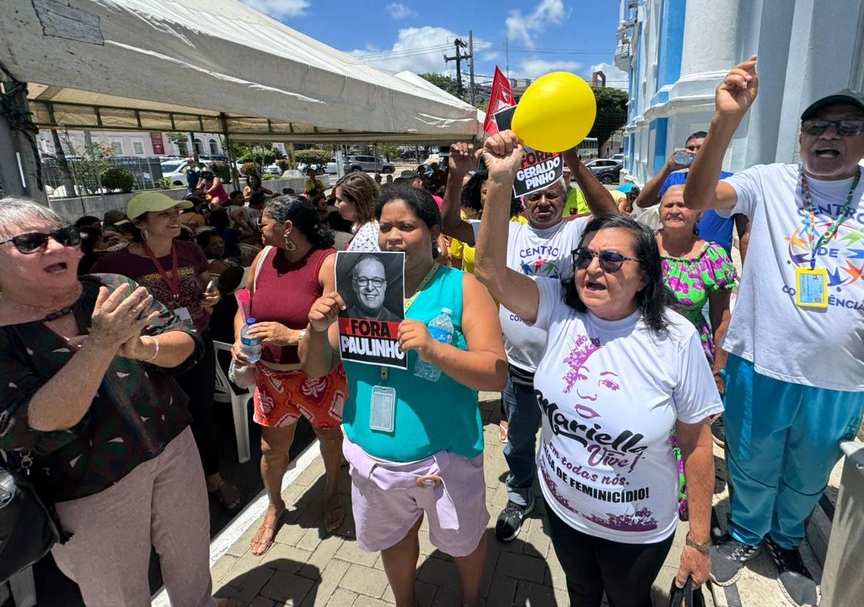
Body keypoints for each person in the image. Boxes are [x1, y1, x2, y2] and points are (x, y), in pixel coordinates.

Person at [685, 58, 864, 606]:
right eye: (817, 127)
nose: (828, 136)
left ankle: (787, 539)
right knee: (751, 457)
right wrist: (726, 120)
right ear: (801, 137)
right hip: (761, 362)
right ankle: (745, 533)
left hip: (845, 374)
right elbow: (700, 196)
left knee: (811, 467)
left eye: (847, 127)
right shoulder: (768, 181)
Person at [474, 132, 721, 606]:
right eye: (585, 256)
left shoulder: (676, 338)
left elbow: (697, 442)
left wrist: (699, 539)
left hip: (636, 526)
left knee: (628, 599)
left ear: (644, 273)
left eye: (611, 259)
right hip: (562, 509)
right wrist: (501, 180)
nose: (592, 267)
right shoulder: (558, 305)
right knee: (581, 591)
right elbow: (490, 271)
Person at [0, 198, 239, 607]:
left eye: (64, 236)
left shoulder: (110, 287)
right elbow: (31, 424)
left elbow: (186, 341)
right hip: (89, 487)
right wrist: (102, 344)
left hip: (172, 446)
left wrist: (143, 347)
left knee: (191, 554)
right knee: (118, 594)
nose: (56, 247)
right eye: (31, 242)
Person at [299, 183, 507, 607]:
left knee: (463, 541)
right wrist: (316, 330)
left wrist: (435, 349)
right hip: (373, 457)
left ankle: (471, 600)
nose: (393, 236)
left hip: (445, 457)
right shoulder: (358, 286)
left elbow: (496, 374)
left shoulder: (463, 288)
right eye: (385, 226)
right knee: (394, 538)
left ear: (434, 233)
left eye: (407, 227)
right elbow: (316, 367)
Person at [442, 141, 620, 542]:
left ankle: (569, 500)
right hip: (520, 372)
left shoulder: (579, 231)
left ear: (565, 197)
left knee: (575, 441)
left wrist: (573, 160)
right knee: (519, 440)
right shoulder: (506, 233)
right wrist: (456, 175)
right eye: (535, 195)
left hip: (572, 371)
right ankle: (520, 494)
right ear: (521, 201)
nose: (543, 202)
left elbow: (612, 217)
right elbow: (449, 225)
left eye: (552, 194)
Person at [92, 192, 242, 511]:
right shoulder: (113, 264)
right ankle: (170, 488)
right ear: (140, 224)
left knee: (202, 413)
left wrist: (212, 296)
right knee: (156, 419)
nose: (175, 218)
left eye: (176, 212)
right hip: (147, 352)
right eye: (163, 214)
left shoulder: (190, 250)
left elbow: (206, 284)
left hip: (195, 342)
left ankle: (214, 479)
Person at [229, 196, 348, 555]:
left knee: (329, 438)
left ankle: (331, 489)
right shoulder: (264, 256)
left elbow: (338, 327)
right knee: (272, 449)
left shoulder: (327, 262)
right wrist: (239, 338)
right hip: (271, 378)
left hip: (319, 376)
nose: (258, 228)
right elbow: (244, 306)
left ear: (287, 227)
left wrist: (293, 336)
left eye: (264, 222)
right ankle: (275, 504)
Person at [636, 131, 750, 257]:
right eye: (690, 149)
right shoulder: (673, 179)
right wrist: (667, 168)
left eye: (701, 148)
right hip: (673, 259)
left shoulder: (730, 182)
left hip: (713, 260)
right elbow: (642, 202)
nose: (694, 152)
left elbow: (745, 232)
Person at [657, 185, 736, 367]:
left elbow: (721, 318)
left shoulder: (712, 258)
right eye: (668, 205)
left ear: (699, 214)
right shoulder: (641, 246)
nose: (674, 211)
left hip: (689, 354)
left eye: (682, 205)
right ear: (660, 213)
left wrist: (719, 368)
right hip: (641, 351)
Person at [343, 254, 402, 322]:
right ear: (354, 285)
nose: (370, 288)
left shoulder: (398, 323)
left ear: (384, 286)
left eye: (377, 281)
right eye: (363, 280)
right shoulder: (341, 320)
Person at [333, 171, 381, 251]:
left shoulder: (368, 236)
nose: (335, 204)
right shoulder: (365, 227)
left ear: (357, 201)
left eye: (339, 200)